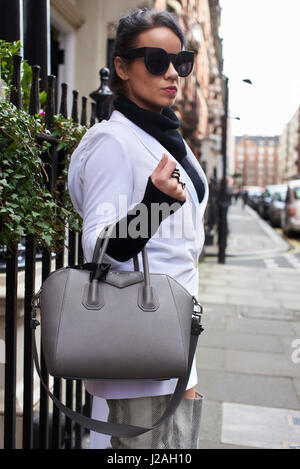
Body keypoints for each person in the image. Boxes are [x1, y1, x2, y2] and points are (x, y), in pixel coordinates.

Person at [68, 7, 208, 449]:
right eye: (155, 61)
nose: (172, 73)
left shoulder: (169, 137)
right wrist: (154, 206)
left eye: (179, 62)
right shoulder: (112, 142)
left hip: (173, 330)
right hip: (139, 335)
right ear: (123, 68)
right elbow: (99, 247)